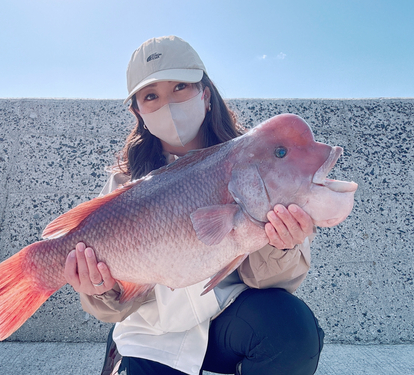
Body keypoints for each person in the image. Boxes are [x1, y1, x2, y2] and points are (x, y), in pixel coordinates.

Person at [64, 36, 324, 375]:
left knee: (292, 330)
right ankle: (120, 360)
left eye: (180, 86)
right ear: (138, 111)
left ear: (205, 93)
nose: (167, 103)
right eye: (151, 95)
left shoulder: (255, 162)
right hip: (150, 336)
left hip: (227, 320)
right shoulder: (121, 187)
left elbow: (275, 286)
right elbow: (113, 309)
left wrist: (280, 244)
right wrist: (99, 290)